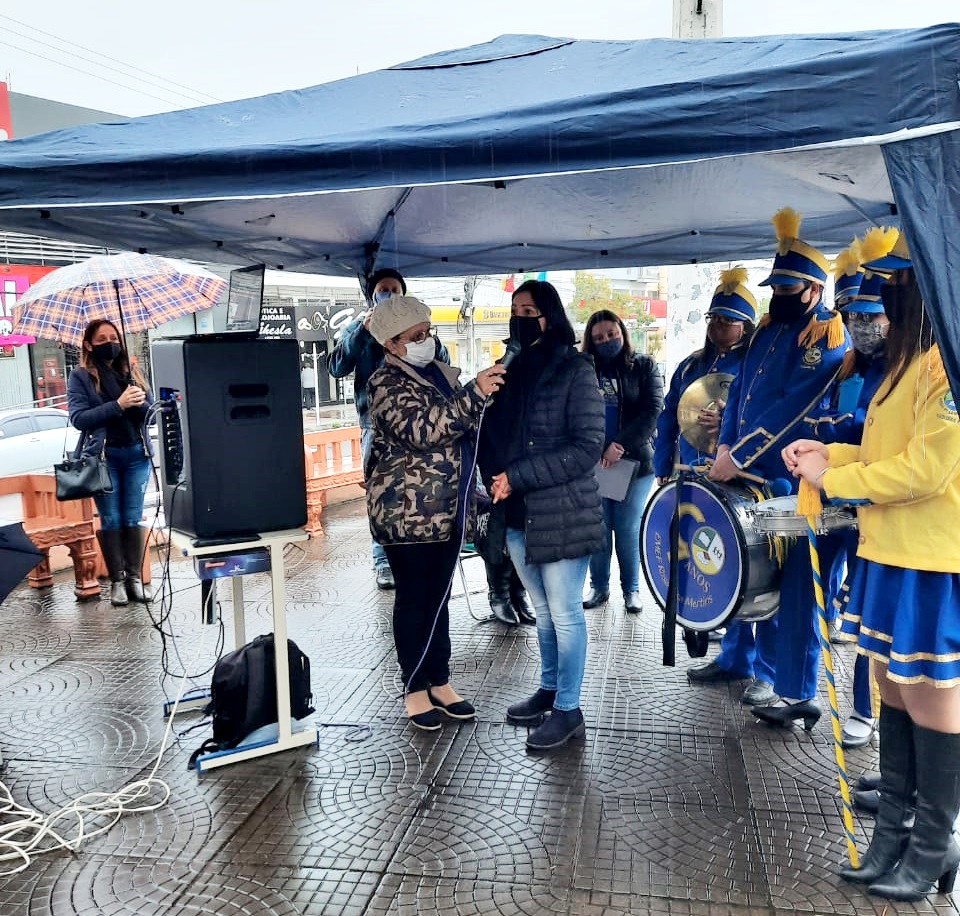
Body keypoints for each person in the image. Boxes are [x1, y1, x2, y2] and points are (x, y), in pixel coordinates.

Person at [783, 230, 960, 902]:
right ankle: (894, 833)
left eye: (895, 283)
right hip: (887, 552)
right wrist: (826, 455)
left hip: (931, 561)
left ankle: (934, 842)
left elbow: (925, 470)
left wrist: (835, 479)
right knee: (891, 688)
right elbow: (883, 452)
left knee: (930, 697)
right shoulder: (904, 365)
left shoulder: (946, 366)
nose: (882, 296)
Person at [696, 208, 849, 715]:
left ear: (814, 290)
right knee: (744, 572)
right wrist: (725, 449)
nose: (778, 295)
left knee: (781, 581)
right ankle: (739, 659)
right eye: (776, 287)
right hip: (740, 470)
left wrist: (739, 454)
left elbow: (792, 408)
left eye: (788, 288)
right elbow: (740, 391)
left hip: (787, 477)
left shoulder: (824, 336)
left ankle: (770, 674)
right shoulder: (766, 330)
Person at [364, 295, 506, 731]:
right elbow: (421, 431)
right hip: (407, 514)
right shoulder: (384, 383)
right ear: (391, 344)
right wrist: (473, 394)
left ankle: (439, 681)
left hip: (447, 510)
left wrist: (481, 398)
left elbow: (459, 421)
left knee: (439, 599)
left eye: (428, 332)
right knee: (414, 599)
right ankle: (414, 687)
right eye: (416, 336)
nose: (426, 340)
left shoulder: (436, 374)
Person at [478, 279, 605, 751]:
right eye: (514, 310)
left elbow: (586, 448)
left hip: (563, 510)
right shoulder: (510, 367)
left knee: (565, 613)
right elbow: (494, 432)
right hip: (516, 512)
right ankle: (549, 690)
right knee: (546, 614)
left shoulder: (576, 369)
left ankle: (569, 710)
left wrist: (517, 476)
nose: (519, 318)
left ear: (549, 317)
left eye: (528, 311)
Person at [803, 231, 894, 750]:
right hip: (834, 498)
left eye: (869, 314)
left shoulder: (906, 368)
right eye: (852, 314)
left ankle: (865, 709)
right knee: (834, 601)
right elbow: (825, 419)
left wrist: (838, 437)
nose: (859, 324)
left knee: (870, 616)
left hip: (877, 506)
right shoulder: (846, 365)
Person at [328, 268, 449, 590]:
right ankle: (383, 560)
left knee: (420, 487)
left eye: (395, 290)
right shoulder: (359, 327)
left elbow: (443, 361)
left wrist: (420, 336)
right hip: (375, 424)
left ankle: (421, 551)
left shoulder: (417, 325)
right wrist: (362, 330)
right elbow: (336, 366)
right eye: (383, 289)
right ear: (372, 296)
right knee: (383, 491)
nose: (390, 295)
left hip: (418, 421)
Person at [580, 309, 663, 613]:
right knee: (598, 528)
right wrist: (599, 449)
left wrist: (620, 445)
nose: (607, 341)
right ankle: (599, 587)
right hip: (596, 464)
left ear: (622, 333)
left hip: (635, 463)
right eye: (599, 337)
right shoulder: (584, 369)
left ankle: (632, 589)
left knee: (627, 528)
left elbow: (653, 410)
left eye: (612, 334)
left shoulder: (643, 365)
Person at [67, 319, 154, 607]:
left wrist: (139, 402)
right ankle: (117, 581)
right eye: (102, 339)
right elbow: (79, 418)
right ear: (89, 345)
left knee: (132, 517)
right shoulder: (81, 376)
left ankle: (134, 579)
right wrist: (118, 405)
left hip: (137, 454)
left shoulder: (131, 371)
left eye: (114, 338)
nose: (110, 343)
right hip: (104, 459)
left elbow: (151, 413)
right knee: (112, 519)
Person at [654, 266, 756, 483]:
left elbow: (759, 417)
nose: (717, 325)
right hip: (689, 467)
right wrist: (662, 462)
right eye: (713, 318)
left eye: (727, 320)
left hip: (736, 473)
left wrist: (725, 422)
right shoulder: (690, 365)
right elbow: (669, 415)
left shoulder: (755, 368)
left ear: (746, 328)